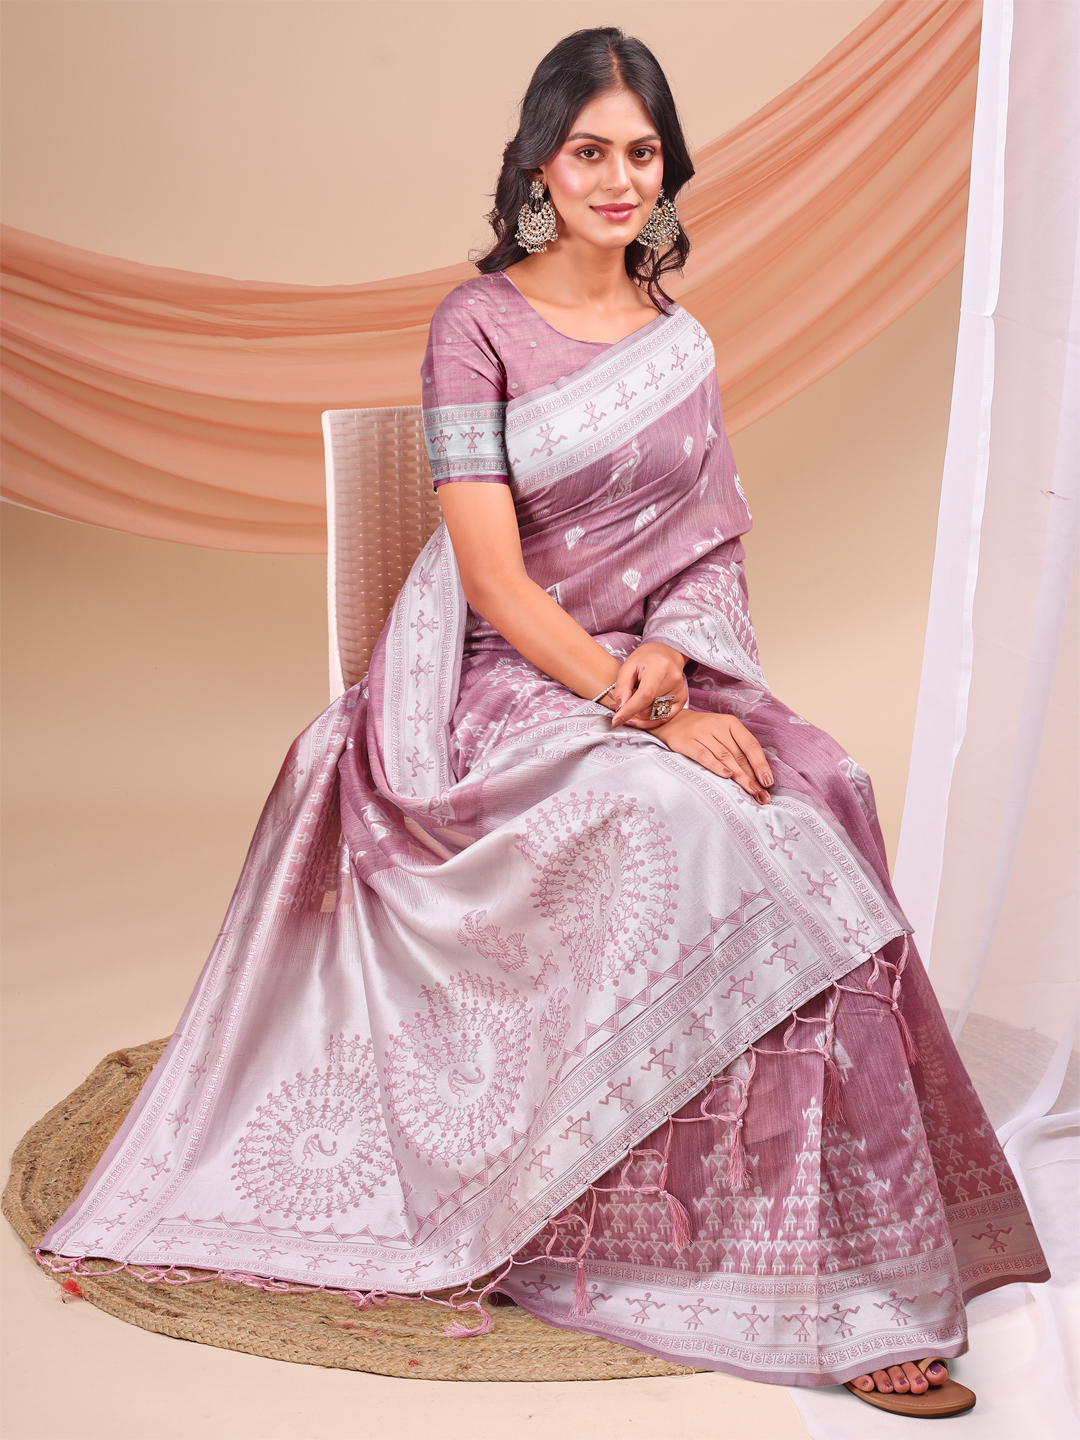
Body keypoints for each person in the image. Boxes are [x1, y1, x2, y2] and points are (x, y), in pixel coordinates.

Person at [39, 28, 1046, 1418]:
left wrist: (673, 662)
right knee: (677, 814)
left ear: (667, 171)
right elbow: (496, 578)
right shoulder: (477, 325)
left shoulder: (680, 343)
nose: (619, 180)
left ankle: (818, 1226)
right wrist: (644, 711)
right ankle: (677, 1214)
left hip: (647, 664)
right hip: (493, 680)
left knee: (825, 789)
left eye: (642, 153)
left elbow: (705, 549)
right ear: (537, 165)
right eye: (590, 152)